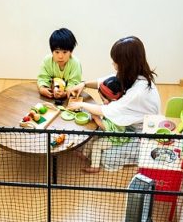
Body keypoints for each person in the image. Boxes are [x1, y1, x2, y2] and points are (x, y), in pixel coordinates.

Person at [67, 35, 160, 171]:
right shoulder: (130, 75)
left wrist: (81, 105)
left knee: (107, 158)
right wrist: (84, 84)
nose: (113, 64)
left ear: (126, 64)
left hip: (139, 135)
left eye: (115, 61)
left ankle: (137, 154)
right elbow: (105, 82)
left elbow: (107, 110)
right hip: (124, 125)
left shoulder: (139, 92)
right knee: (94, 134)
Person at [37, 28, 83, 101]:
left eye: (64, 52)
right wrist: (42, 88)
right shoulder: (47, 61)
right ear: (52, 51)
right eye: (57, 52)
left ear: (71, 52)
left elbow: (74, 82)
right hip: (50, 96)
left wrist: (65, 93)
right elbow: (43, 77)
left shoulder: (75, 63)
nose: (60, 56)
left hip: (68, 98)